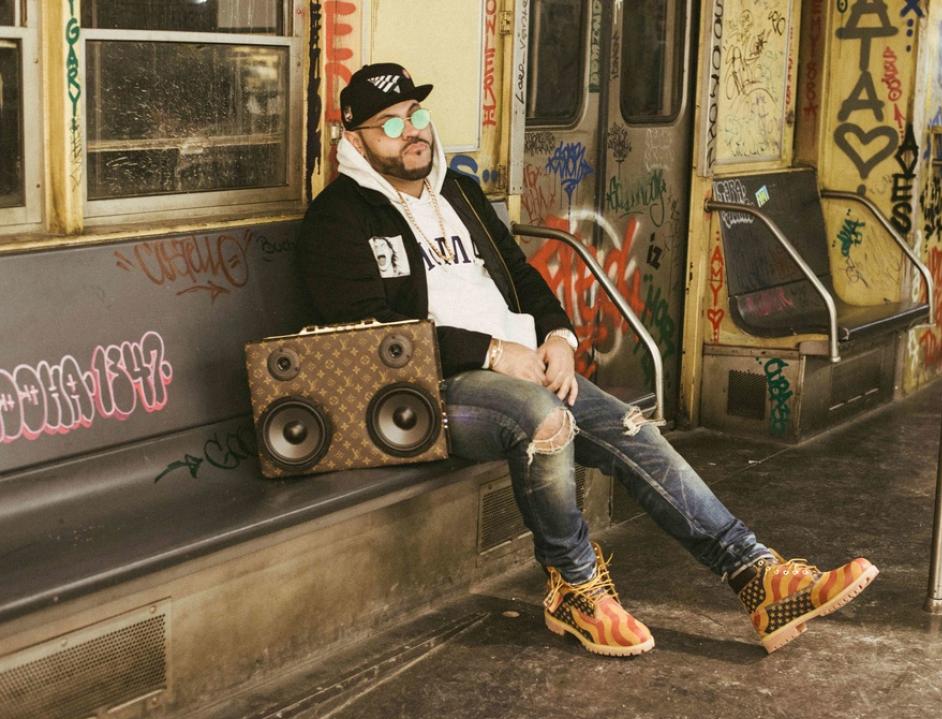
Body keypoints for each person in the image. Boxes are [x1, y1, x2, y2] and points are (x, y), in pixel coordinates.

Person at [297, 63, 878, 656]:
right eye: (389, 124)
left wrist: (557, 339)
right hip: (425, 391)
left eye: (416, 115)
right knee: (544, 421)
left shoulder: (460, 192)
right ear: (356, 140)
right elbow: (370, 335)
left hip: (520, 369)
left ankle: (757, 577)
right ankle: (575, 587)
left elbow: (521, 275)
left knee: (629, 426)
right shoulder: (338, 219)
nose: (412, 130)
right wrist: (494, 353)